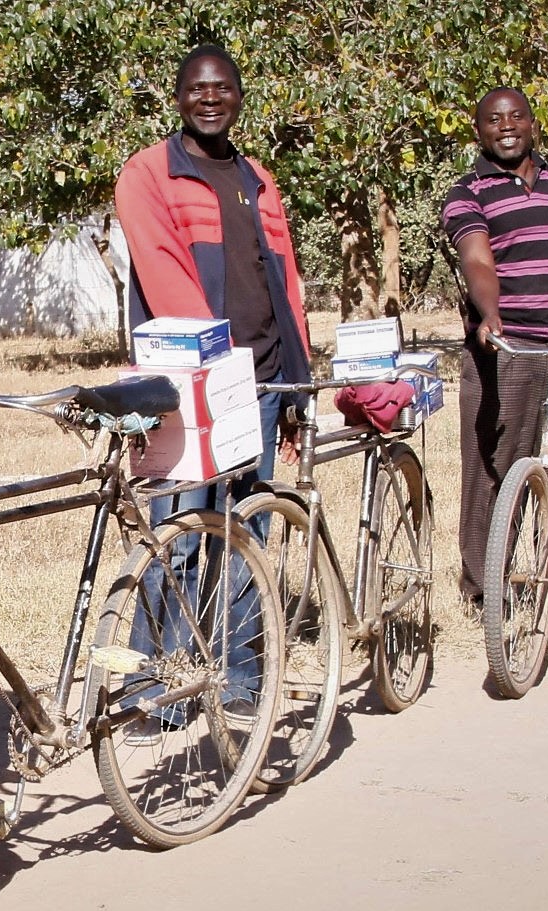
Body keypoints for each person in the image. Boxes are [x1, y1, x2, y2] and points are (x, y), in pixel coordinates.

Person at [113, 43, 312, 727]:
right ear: (177, 97)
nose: (209, 98)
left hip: (260, 383)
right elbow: (166, 277)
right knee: (178, 532)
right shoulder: (148, 174)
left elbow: (285, 284)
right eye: (197, 88)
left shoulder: (256, 179)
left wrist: (297, 383)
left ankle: (238, 678)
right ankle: (153, 689)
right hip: (189, 383)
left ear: (238, 97)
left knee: (243, 533)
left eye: (222, 87)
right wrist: (213, 371)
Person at [442, 87, 548, 628]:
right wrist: (491, 315)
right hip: (507, 348)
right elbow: (477, 261)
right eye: (493, 120)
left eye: (515, 118)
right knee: (493, 469)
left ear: (534, 126)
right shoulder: (467, 192)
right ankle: (487, 587)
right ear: (479, 130)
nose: (505, 127)